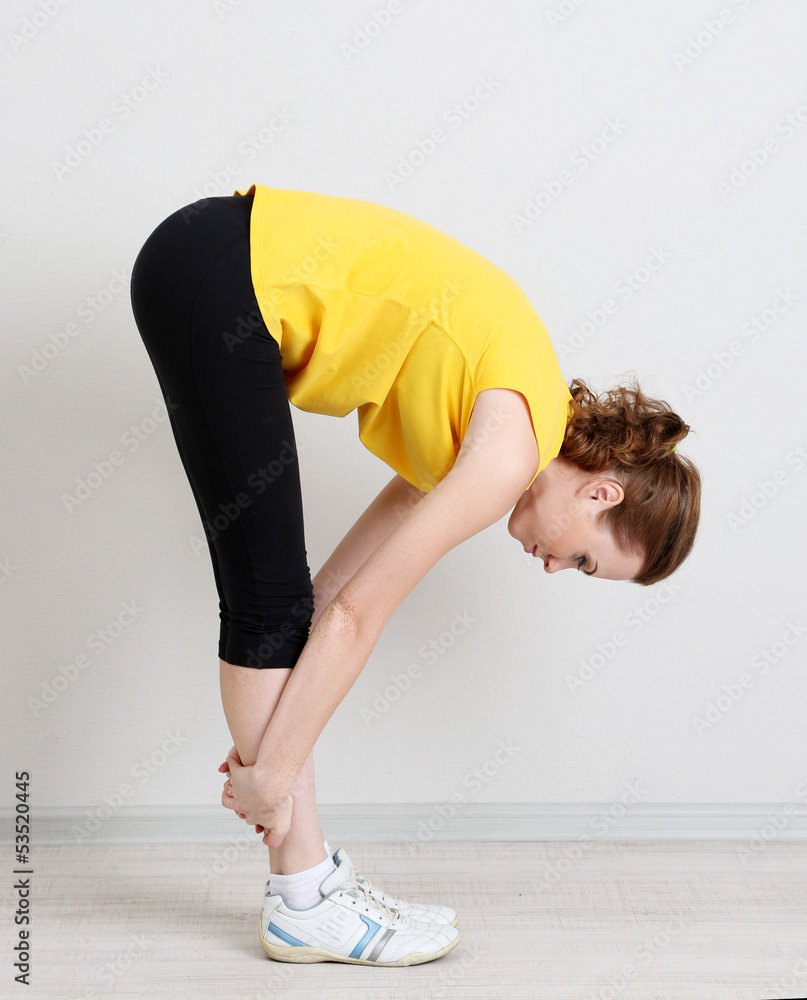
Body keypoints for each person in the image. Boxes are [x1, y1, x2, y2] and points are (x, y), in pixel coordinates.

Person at [129, 184, 701, 967]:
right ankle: (302, 896)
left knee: (276, 603)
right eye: (582, 558)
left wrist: (268, 756)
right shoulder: (503, 459)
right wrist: (278, 769)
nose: (552, 567)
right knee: (261, 600)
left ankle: (309, 882)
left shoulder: (503, 421)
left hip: (211, 256)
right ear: (601, 492)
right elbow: (355, 619)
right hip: (225, 276)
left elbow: (327, 597)